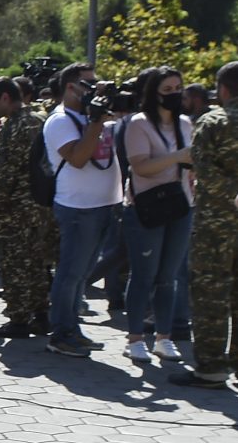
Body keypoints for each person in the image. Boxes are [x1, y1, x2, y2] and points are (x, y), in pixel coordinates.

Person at [44, 64, 119, 357]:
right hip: (77, 208)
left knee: (82, 273)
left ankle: (73, 328)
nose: (94, 87)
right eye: (88, 83)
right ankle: (61, 334)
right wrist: (96, 122)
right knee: (70, 273)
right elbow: (77, 159)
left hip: (101, 205)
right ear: (70, 87)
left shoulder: (89, 117)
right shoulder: (60, 121)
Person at [121, 67, 195, 363]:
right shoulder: (138, 124)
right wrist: (177, 157)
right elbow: (140, 166)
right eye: (167, 89)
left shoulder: (186, 124)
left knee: (169, 277)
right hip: (147, 208)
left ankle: (164, 337)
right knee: (143, 275)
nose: (175, 93)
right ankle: (135, 338)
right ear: (154, 93)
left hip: (180, 206)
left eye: (178, 87)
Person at [174, 63, 238, 389]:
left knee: (211, 294)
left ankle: (211, 368)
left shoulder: (212, 122)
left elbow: (204, 173)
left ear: (223, 90)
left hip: (217, 225)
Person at [0, 79, 54, 339]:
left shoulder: (16, 125)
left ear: (5, 97)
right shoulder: (38, 118)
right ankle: (40, 314)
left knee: (15, 263)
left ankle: (18, 319)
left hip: (15, 207)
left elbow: (6, 171)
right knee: (37, 262)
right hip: (39, 205)